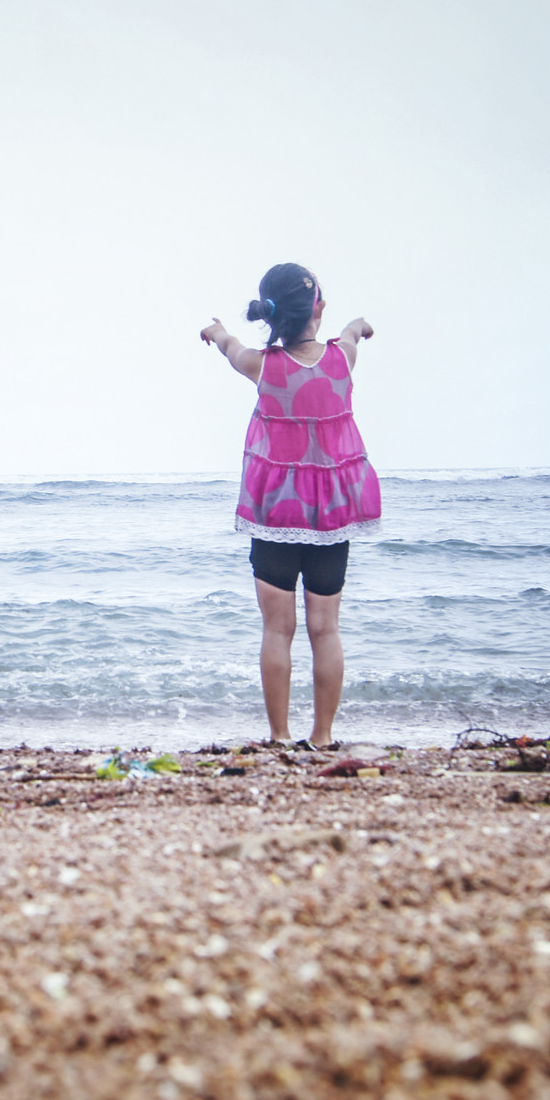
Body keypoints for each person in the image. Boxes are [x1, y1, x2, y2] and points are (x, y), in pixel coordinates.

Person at [199, 264, 380, 748]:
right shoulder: (342, 359)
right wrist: (357, 324)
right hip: (330, 521)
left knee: (277, 630)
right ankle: (322, 737)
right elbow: (351, 335)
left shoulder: (262, 365)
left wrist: (216, 331)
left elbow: (230, 347)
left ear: (270, 315)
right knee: (326, 629)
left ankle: (279, 736)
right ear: (318, 307)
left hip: (276, 518)